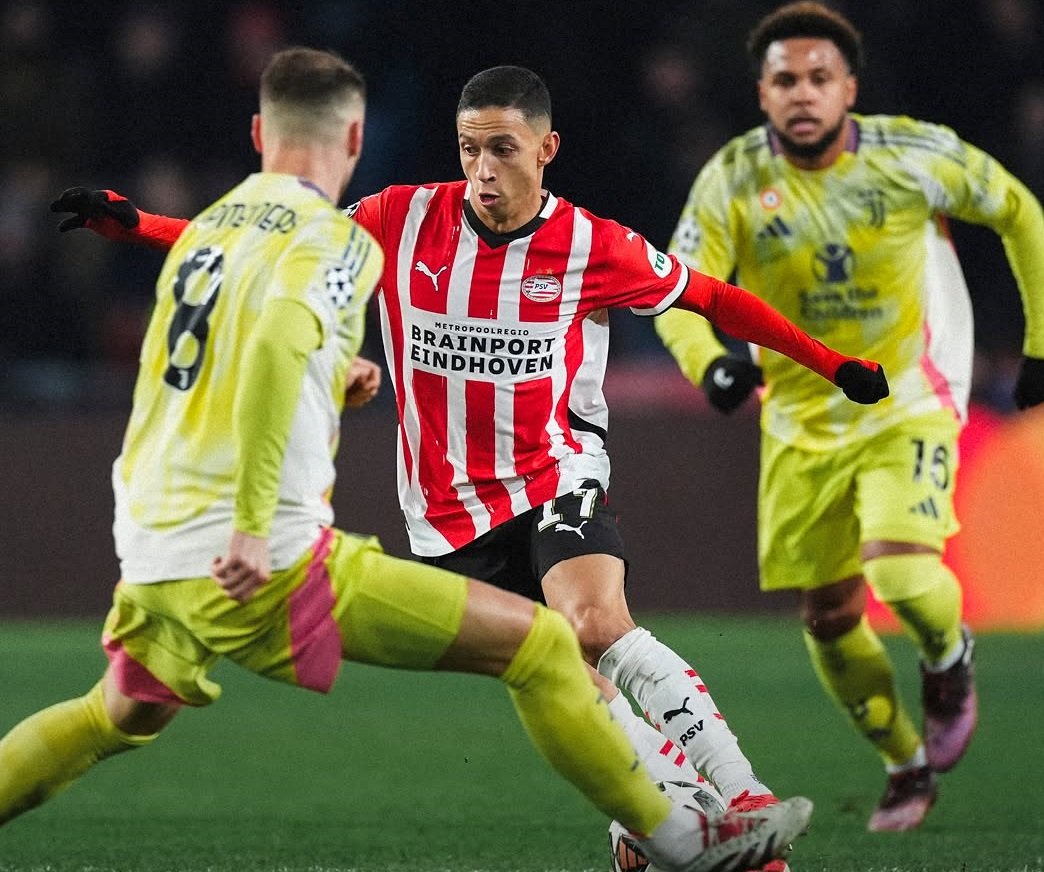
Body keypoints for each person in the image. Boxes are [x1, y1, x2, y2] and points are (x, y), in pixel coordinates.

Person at [0, 46, 820, 872]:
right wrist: (263, 498)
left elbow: (243, 308)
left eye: (501, 148)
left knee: (117, 713)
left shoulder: (228, 233)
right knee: (551, 656)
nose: (483, 168)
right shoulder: (372, 227)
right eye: (469, 148)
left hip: (177, 547)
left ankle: (714, 809)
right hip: (356, 534)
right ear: (356, 137)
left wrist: (142, 228)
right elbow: (280, 341)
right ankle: (674, 826)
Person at [655, 0, 1044, 833]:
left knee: (900, 574)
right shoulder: (732, 178)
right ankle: (904, 763)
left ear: (849, 89)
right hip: (799, 421)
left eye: (819, 77)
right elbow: (676, 291)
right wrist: (709, 363)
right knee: (829, 620)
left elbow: (1021, 211)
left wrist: (1040, 340)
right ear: (762, 94)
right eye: (785, 80)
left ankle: (949, 658)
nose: (803, 93)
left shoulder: (912, 155)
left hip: (907, 400)